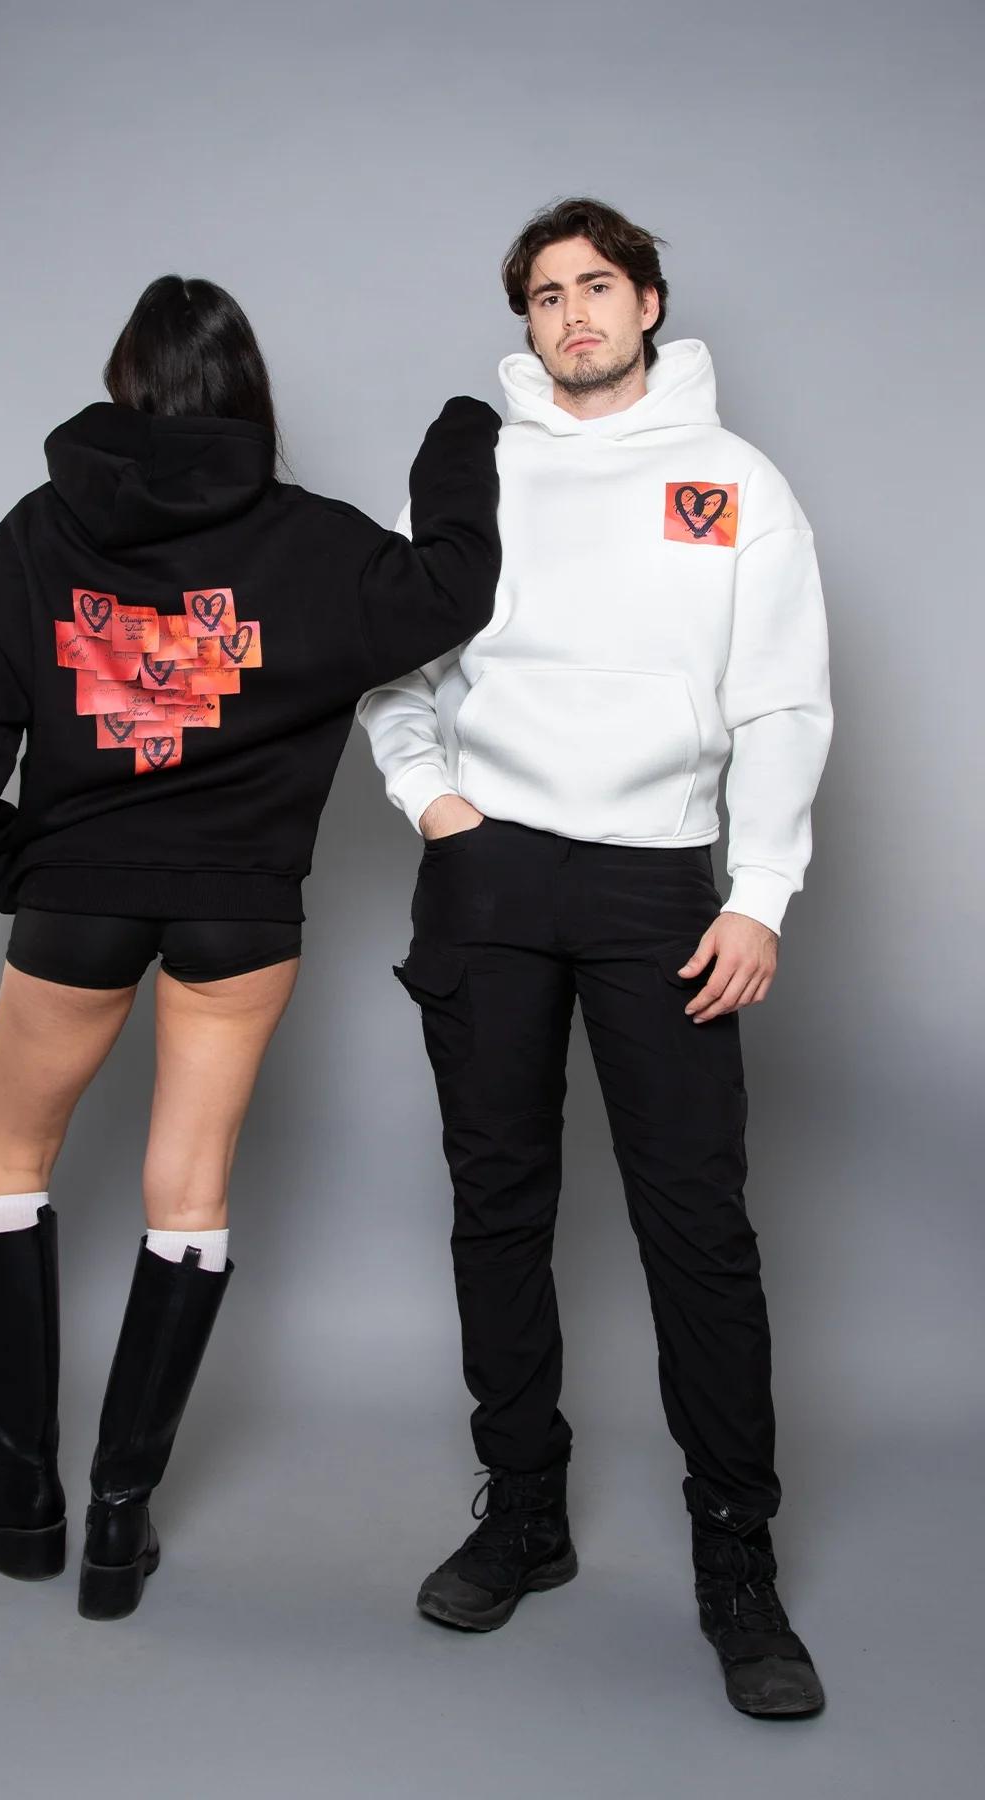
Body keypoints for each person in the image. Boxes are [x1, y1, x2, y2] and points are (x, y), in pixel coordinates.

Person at [0, 275, 501, 1621]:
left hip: (77, 897)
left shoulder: (39, 530)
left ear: (125, 383)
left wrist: (1, 861)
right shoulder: (316, 543)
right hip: (242, 907)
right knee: (189, 1188)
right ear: (250, 393)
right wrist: (462, 434)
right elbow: (453, 585)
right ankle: (118, 1526)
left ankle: (20, 1498)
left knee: (11, 1162)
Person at [358, 198, 832, 1717]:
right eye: (547, 294)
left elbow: (782, 698)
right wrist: (431, 801)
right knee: (499, 1208)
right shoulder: (479, 468)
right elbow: (393, 653)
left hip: (656, 890)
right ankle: (525, 1512)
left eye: (598, 286)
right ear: (528, 321)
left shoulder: (732, 480)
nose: (573, 313)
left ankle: (737, 1558)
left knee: (697, 1225)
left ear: (648, 304)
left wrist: (761, 891)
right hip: (488, 875)